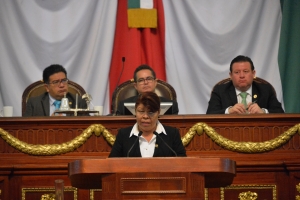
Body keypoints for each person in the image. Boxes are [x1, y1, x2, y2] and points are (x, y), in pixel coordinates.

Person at [109, 92, 186, 157]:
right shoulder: (123, 135)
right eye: (141, 112)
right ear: (135, 111)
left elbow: (183, 162)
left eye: (150, 112)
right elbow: (112, 164)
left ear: (158, 112)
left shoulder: (172, 134)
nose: (145, 116)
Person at [206, 55, 284, 114]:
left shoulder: (265, 90)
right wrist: (228, 111)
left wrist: (263, 112)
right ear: (231, 75)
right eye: (237, 72)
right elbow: (209, 115)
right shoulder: (220, 91)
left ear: (253, 73)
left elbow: (280, 113)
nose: (242, 76)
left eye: (246, 71)